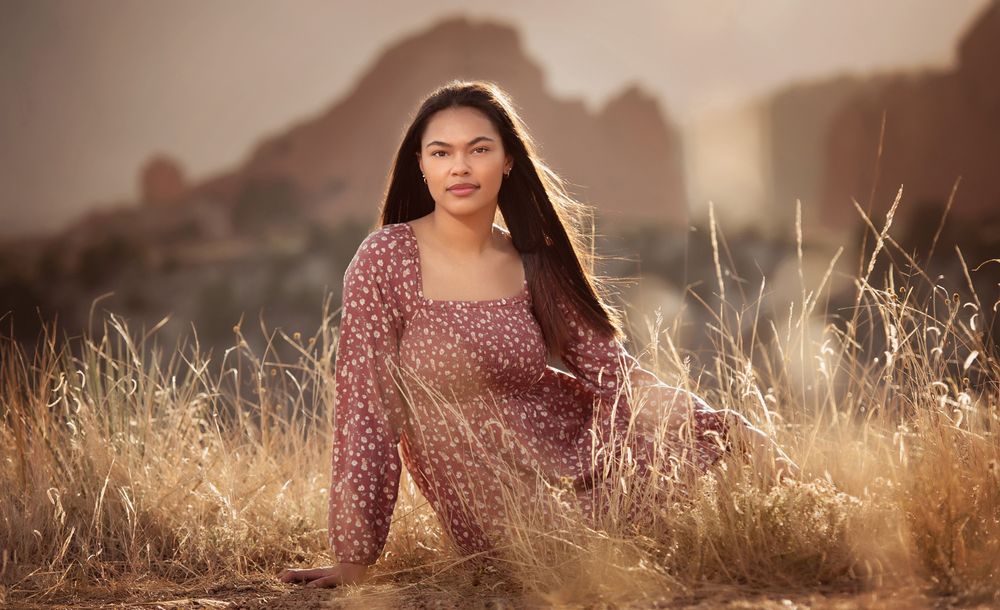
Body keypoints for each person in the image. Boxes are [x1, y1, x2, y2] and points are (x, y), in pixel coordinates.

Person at [278, 80, 794, 589]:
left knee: (718, 449)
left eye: (479, 149)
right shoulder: (386, 259)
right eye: (441, 152)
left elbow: (616, 373)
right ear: (421, 164)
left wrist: (724, 424)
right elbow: (366, 408)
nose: (460, 166)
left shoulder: (534, 260)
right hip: (492, 502)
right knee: (569, 554)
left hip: (578, 458)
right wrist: (354, 554)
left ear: (506, 161)